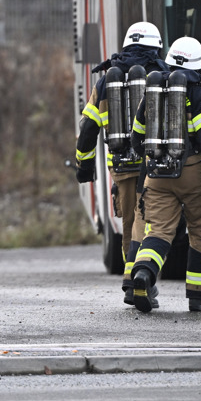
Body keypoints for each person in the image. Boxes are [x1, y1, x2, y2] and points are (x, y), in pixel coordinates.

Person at [126, 36, 201, 314]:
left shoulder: (153, 90)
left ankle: (143, 274)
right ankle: (200, 297)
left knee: (157, 231)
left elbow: (137, 136)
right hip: (194, 174)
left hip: (157, 174)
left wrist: (150, 163)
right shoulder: (198, 93)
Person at [74, 21, 168, 303]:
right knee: (150, 223)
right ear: (156, 46)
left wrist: (84, 165)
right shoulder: (162, 74)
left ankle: (131, 281)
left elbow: (88, 126)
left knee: (129, 222)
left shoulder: (105, 81)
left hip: (121, 164)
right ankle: (142, 279)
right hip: (155, 165)